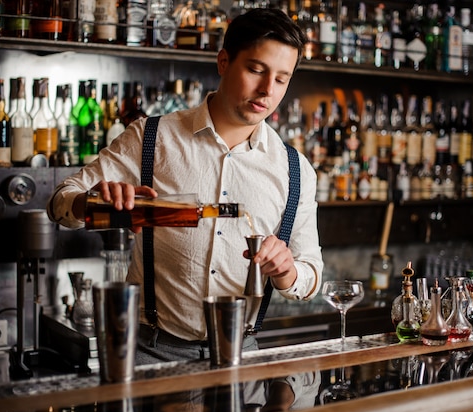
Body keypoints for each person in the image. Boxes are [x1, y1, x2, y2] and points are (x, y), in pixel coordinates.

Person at [47, 8, 323, 365]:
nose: (268, 90)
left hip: (243, 354)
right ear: (223, 61)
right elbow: (59, 204)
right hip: (150, 352)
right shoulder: (152, 138)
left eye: (282, 79)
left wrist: (287, 271)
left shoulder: (295, 169)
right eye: (256, 70)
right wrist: (93, 203)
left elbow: (311, 274)